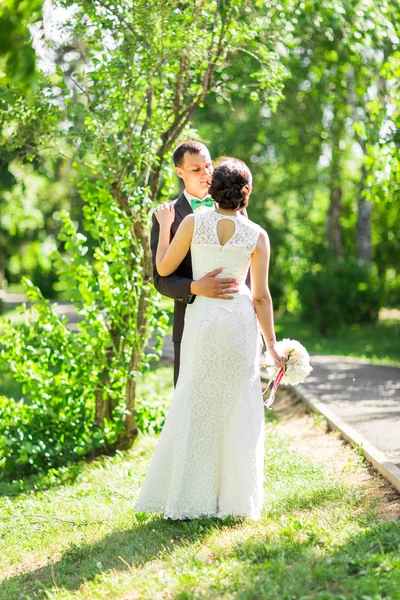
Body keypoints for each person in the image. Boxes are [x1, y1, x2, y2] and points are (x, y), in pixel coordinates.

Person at [134, 157, 285, 521]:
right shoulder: (257, 235)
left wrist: (166, 227)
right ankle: (233, 502)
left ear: (214, 189)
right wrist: (272, 345)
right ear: (245, 193)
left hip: (202, 320)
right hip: (237, 322)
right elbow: (261, 296)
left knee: (195, 401)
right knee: (237, 405)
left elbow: (164, 269)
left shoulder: (191, 222)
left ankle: (188, 498)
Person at [150, 140, 251, 387]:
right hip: (190, 324)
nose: (206, 174)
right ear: (179, 172)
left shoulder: (234, 206)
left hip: (234, 322)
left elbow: (246, 271)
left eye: (208, 166)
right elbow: (161, 279)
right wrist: (196, 287)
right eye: (196, 170)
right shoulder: (167, 216)